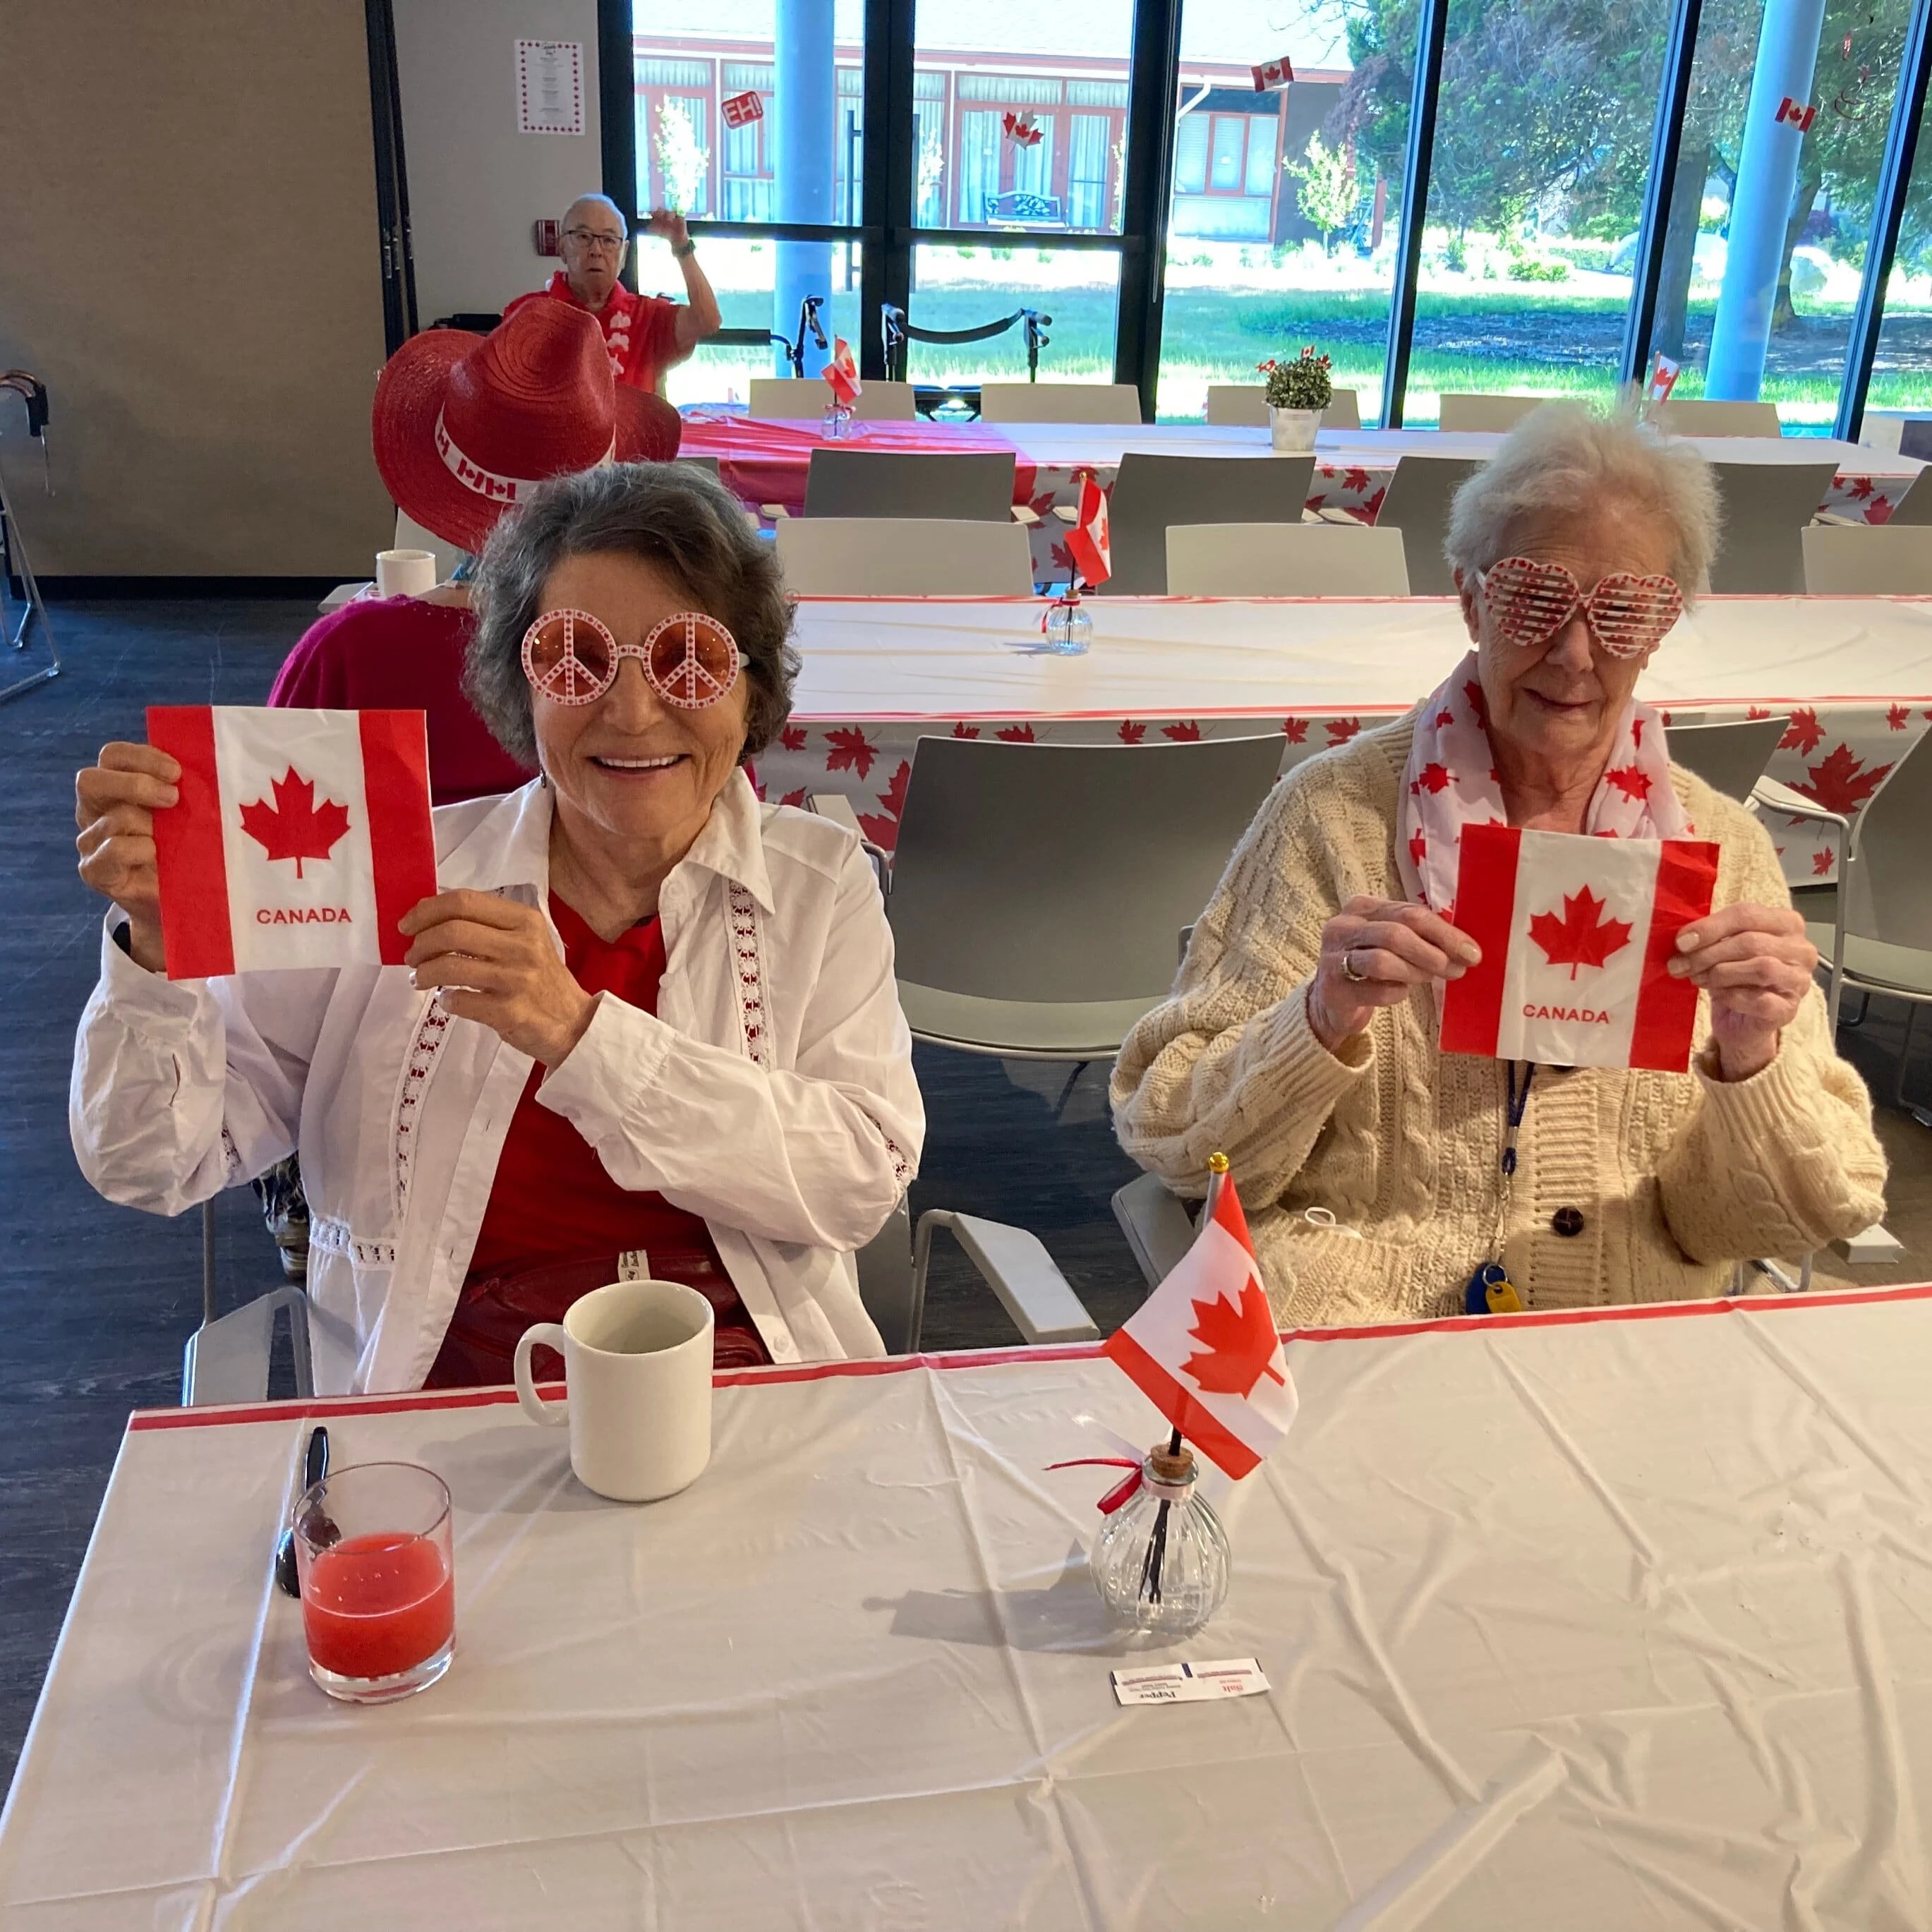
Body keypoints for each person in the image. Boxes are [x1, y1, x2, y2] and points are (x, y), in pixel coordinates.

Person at [71, 464, 924, 1394]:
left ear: (749, 688)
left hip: (743, 1391)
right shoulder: (394, 882)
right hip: (453, 1410)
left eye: (691, 656)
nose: (634, 711)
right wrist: (159, 947)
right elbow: (151, 1160)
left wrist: (576, 1032)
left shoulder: (818, 881)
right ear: (521, 684)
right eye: (575, 656)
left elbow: (859, 1180)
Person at [1111, 404, 1887, 1326]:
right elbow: (1169, 1134)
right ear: (1469, 597)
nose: (1572, 652)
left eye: (1624, 610)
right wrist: (1319, 1019)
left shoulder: (1720, 853)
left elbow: (1760, 1220)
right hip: (1361, 1317)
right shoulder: (1333, 816)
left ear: (1662, 627)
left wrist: (1748, 1057)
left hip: (1625, 1332)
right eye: (1530, 598)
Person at [505, 195, 721, 395]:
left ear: (624, 254)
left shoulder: (648, 316)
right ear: (562, 248)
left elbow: (708, 320)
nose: (596, 250)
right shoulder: (526, 314)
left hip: (631, 436)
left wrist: (681, 246)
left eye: (609, 240)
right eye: (583, 237)